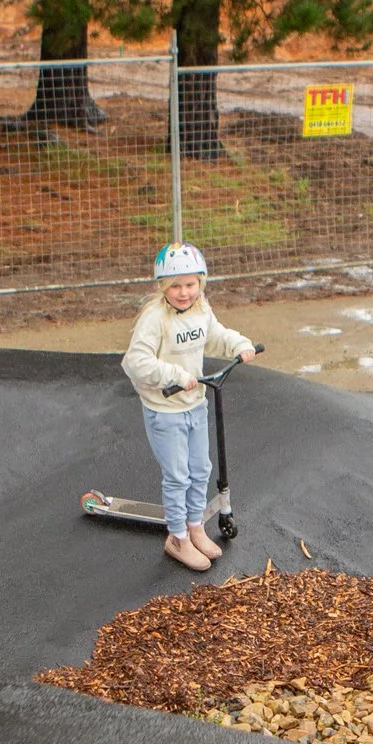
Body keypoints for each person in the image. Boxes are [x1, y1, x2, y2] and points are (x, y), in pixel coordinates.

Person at [120, 243, 255, 571]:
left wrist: (239, 344)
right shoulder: (155, 318)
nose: (184, 292)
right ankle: (177, 537)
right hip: (165, 409)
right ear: (162, 287)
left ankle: (195, 526)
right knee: (178, 475)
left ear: (201, 284)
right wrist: (176, 374)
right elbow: (135, 362)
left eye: (191, 284)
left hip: (195, 403)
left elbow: (214, 335)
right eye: (176, 286)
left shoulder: (200, 308)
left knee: (201, 469)